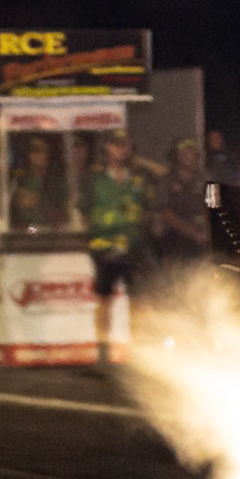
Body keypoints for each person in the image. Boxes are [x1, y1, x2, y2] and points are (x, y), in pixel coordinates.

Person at [88, 132, 151, 367]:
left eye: (126, 146)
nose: (121, 150)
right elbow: (83, 208)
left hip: (133, 245)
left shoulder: (138, 177)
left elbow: (147, 206)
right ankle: (102, 351)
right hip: (104, 247)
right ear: (107, 148)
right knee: (104, 300)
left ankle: (136, 351)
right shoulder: (95, 178)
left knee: (137, 300)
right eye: (117, 146)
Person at [152, 139, 210, 271]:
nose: (190, 156)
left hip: (201, 235)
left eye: (193, 153)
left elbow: (213, 205)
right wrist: (193, 233)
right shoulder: (165, 180)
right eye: (185, 153)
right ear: (176, 157)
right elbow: (166, 212)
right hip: (174, 237)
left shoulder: (204, 178)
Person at [10, 136, 66, 231]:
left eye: (42, 152)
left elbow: (63, 212)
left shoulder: (57, 182)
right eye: (34, 152)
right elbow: (12, 213)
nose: (38, 157)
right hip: (24, 234)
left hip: (53, 234)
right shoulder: (19, 181)